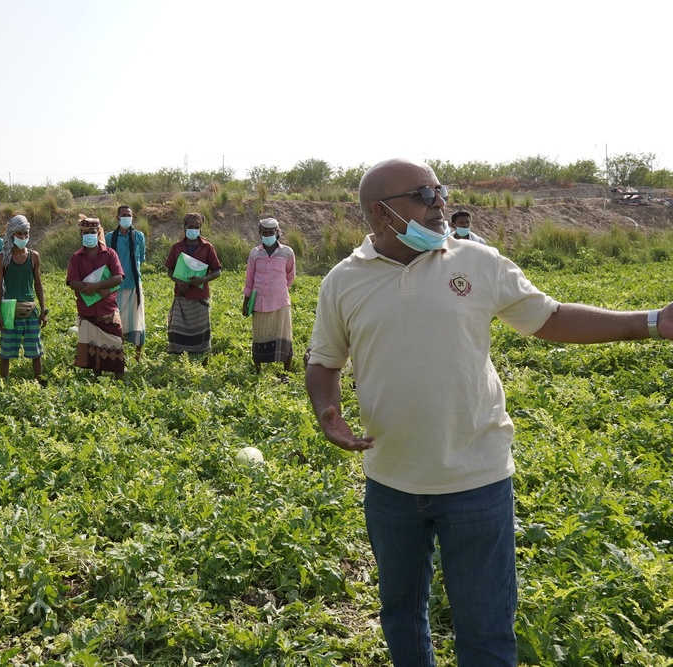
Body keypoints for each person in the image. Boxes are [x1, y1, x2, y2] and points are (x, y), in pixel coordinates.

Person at [304, 157, 673, 667]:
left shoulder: (478, 263)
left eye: (441, 191)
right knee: (402, 615)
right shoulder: (343, 281)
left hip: (477, 481)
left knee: (486, 626)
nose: (441, 204)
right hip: (390, 481)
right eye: (425, 195)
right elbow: (323, 360)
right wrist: (328, 411)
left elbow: (551, 318)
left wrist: (651, 322)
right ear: (381, 213)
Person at [66, 216, 125, 380]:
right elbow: (72, 282)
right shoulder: (76, 258)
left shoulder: (110, 254)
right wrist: (95, 289)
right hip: (88, 310)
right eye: (85, 232)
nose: (89, 235)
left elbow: (118, 277)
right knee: (94, 347)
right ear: (81, 234)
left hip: (108, 308)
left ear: (98, 232)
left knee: (116, 343)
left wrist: (96, 287)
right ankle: (97, 378)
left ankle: (119, 380)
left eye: (92, 232)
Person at [0, 215, 48, 381]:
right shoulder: (3, 258)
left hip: (30, 308)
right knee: (6, 351)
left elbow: (38, 284)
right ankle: (2, 383)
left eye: (25, 234)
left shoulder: (33, 256)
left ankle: (39, 382)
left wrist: (43, 310)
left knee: (35, 351)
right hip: (10, 309)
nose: (23, 238)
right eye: (19, 234)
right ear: (11, 234)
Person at [164, 213, 222, 361]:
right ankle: (180, 362)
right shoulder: (177, 247)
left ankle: (202, 363)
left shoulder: (207, 247)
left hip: (199, 296)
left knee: (201, 332)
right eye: (190, 226)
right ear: (184, 227)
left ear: (201, 229)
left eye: (197, 227)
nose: (193, 229)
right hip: (181, 295)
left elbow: (217, 271)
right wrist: (178, 281)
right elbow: (170, 269)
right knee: (178, 331)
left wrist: (203, 279)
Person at [243, 217, 296, 378]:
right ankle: (259, 371)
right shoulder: (255, 253)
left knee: (284, 336)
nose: (268, 235)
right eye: (264, 232)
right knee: (259, 336)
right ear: (260, 233)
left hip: (280, 302)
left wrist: (278, 289)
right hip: (259, 302)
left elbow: (290, 275)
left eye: (271, 232)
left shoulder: (287, 252)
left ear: (277, 232)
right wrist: (246, 303)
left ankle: (285, 374)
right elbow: (249, 279)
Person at [107, 204, 146, 361]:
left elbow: (140, 258)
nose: (126, 218)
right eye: (123, 215)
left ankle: (137, 357)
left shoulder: (139, 236)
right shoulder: (110, 237)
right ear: (117, 218)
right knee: (117, 322)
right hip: (116, 287)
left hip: (134, 286)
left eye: (129, 215)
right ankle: (119, 355)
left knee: (137, 322)